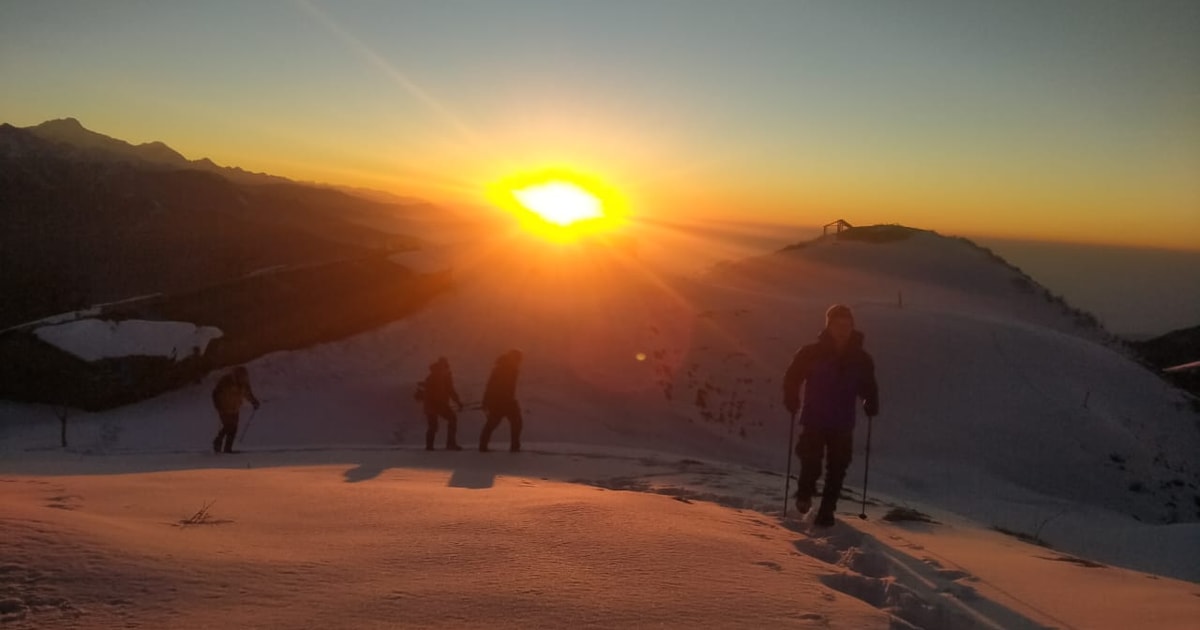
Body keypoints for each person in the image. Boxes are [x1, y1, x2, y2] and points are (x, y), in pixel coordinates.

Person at [782, 304, 879, 527]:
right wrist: (791, 397)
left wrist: (870, 401)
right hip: (815, 417)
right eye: (838, 324)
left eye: (847, 324)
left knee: (838, 467)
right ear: (829, 325)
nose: (843, 328)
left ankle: (827, 511)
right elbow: (793, 376)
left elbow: (868, 385)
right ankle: (805, 494)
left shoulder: (862, 359)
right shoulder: (811, 352)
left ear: (852, 326)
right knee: (811, 461)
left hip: (842, 421)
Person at [479, 349, 524, 452]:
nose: (519, 362)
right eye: (518, 360)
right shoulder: (503, 369)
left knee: (493, 423)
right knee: (515, 422)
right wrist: (486, 402)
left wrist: (486, 401)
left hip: (503, 402)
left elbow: (490, 386)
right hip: (502, 402)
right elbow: (490, 386)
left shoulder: (509, 369)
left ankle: (483, 446)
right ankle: (514, 447)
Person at [211, 365, 260, 453]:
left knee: (233, 429)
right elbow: (216, 393)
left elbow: (248, 394)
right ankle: (218, 442)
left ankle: (227, 448)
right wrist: (218, 405)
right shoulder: (226, 381)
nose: (244, 378)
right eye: (242, 376)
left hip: (235, 408)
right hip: (224, 408)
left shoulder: (244, 384)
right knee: (229, 426)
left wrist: (254, 402)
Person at [422, 357, 464, 451]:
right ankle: (450, 443)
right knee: (451, 419)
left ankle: (429, 446)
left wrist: (457, 402)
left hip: (432, 405)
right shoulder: (439, 377)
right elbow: (449, 391)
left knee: (433, 425)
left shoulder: (433, 376)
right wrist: (457, 402)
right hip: (437, 404)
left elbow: (449, 390)